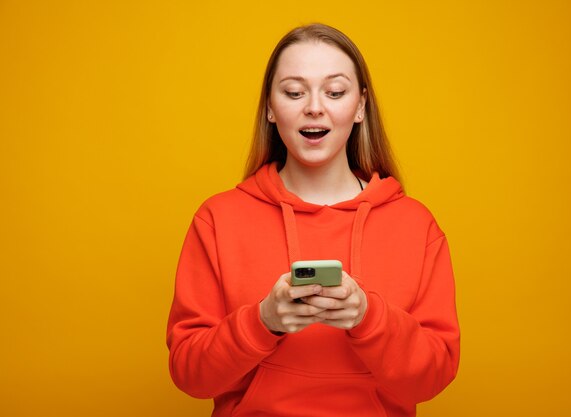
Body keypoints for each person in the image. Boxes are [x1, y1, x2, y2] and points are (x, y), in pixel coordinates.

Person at [166, 23, 460, 417]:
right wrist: (263, 321)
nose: (315, 107)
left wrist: (368, 318)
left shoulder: (415, 224)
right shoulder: (218, 219)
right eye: (294, 91)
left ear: (359, 106)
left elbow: (434, 376)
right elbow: (190, 375)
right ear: (270, 107)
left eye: (335, 92)